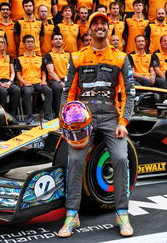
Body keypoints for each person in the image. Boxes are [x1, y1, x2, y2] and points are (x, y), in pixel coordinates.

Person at [58, 12, 134, 238]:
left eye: (104, 23)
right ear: (88, 30)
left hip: (111, 116)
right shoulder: (77, 57)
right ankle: (72, 214)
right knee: (75, 160)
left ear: (109, 29)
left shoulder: (121, 58)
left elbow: (130, 94)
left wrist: (123, 122)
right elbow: (67, 93)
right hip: (83, 118)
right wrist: (66, 123)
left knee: (121, 158)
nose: (100, 27)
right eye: (95, 24)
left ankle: (122, 213)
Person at [15, 34, 53, 125]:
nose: (30, 44)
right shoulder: (19, 59)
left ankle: (46, 113)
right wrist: (24, 82)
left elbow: (43, 72)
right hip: (26, 82)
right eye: (28, 42)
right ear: (24, 44)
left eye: (32, 42)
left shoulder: (40, 58)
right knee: (27, 92)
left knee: (49, 90)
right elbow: (18, 75)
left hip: (38, 82)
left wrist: (43, 81)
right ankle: (29, 116)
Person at [43, 33, 69, 117]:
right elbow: (51, 72)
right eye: (56, 39)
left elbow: (71, 70)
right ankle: (58, 114)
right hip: (54, 80)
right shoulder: (49, 55)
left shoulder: (68, 54)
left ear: (63, 41)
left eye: (60, 39)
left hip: (66, 79)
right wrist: (60, 81)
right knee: (58, 87)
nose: (58, 40)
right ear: (52, 41)